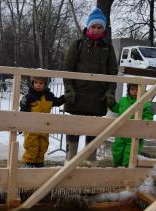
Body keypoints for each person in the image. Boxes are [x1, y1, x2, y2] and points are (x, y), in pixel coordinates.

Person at [63, 7, 118, 161]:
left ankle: (89, 164)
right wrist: (69, 90)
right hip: (77, 97)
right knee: (73, 131)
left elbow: (113, 73)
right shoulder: (77, 44)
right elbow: (67, 69)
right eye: (93, 26)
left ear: (103, 29)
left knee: (93, 133)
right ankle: (69, 161)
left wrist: (109, 93)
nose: (96, 30)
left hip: (97, 99)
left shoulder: (108, 48)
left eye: (99, 27)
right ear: (88, 27)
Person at [20, 76, 65, 168]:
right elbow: (23, 111)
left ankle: (39, 162)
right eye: (36, 83)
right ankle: (29, 162)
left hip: (44, 126)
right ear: (32, 84)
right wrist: (21, 124)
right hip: (32, 126)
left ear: (45, 84)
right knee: (32, 145)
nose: (38, 85)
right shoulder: (29, 97)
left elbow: (57, 102)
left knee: (43, 145)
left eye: (41, 83)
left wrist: (65, 98)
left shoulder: (49, 96)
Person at [110, 84, 154, 167]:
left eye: (137, 89)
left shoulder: (146, 104)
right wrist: (112, 104)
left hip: (133, 135)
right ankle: (116, 167)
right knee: (117, 152)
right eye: (132, 89)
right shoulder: (123, 100)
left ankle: (126, 171)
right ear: (128, 90)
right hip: (121, 132)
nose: (135, 91)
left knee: (129, 154)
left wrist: (142, 130)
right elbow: (117, 108)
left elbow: (148, 119)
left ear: (143, 90)